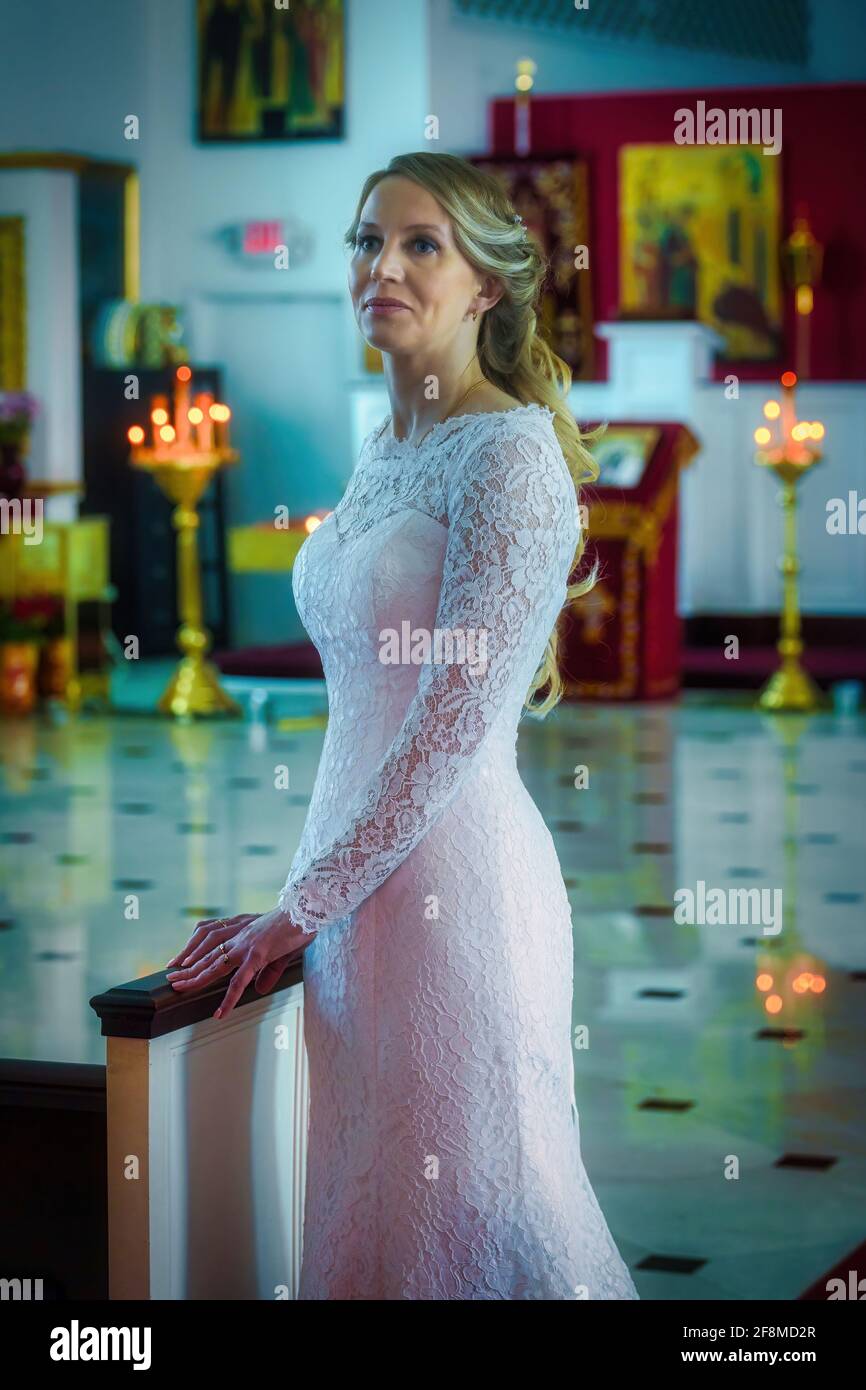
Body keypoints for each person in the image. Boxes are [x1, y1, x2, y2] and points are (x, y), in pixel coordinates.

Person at [167, 151, 639, 1301]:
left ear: (484, 285)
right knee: (367, 1210)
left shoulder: (512, 460)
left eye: (420, 244)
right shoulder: (386, 450)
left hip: (456, 896)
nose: (382, 265)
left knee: (476, 1208)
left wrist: (303, 902)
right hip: (348, 898)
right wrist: (309, 898)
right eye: (368, 241)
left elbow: (443, 730)